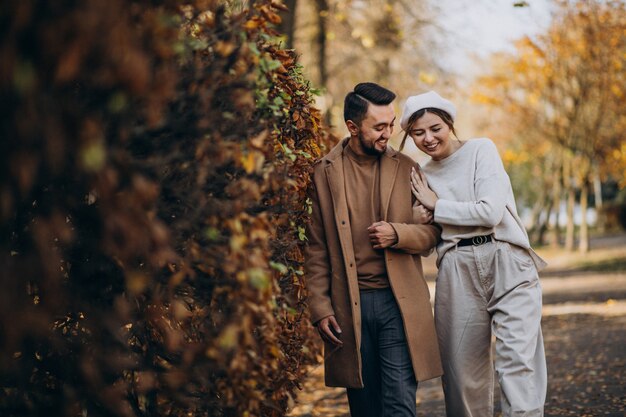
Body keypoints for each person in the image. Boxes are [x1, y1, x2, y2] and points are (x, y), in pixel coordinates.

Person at [399, 90, 548, 417]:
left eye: (435, 128)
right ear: (409, 135)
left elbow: (489, 212)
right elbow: (425, 236)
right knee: (460, 374)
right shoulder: (421, 176)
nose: (428, 138)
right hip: (456, 269)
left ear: (449, 124)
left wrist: (437, 206)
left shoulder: (482, 149)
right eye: (418, 132)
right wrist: (417, 218)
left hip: (506, 259)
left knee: (518, 365)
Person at [305, 82, 442, 417]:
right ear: (353, 127)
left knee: (399, 403)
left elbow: (431, 234)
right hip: (348, 307)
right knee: (365, 407)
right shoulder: (324, 172)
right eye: (379, 127)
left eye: (391, 124)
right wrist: (321, 308)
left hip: (399, 304)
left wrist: (398, 234)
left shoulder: (406, 167)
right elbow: (316, 248)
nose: (389, 133)